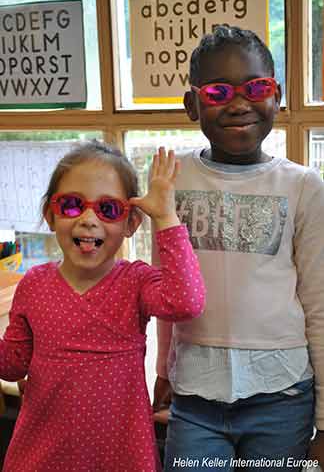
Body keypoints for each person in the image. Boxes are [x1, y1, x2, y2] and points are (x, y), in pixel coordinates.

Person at [153, 25, 324, 471]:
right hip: (195, 397)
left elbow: (320, 305)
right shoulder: (174, 176)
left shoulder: (303, 186)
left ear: (277, 96)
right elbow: (167, 285)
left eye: (256, 87)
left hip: (282, 397)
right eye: (217, 91)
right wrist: (163, 370)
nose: (239, 103)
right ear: (192, 105)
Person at [0, 141, 205, 472]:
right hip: (42, 455)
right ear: (50, 216)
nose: (88, 220)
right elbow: (10, 365)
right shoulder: (34, 284)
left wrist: (165, 216)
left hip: (121, 455)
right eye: (71, 205)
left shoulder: (135, 282)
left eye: (108, 209)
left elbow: (186, 301)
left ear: (131, 225)